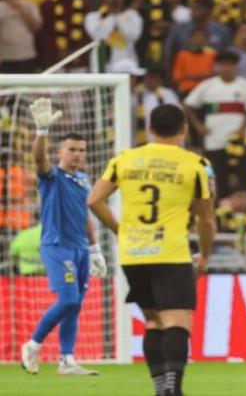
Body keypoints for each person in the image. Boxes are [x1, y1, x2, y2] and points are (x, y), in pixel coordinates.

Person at [87, 104, 216, 396]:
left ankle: (160, 388)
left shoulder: (124, 159)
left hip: (133, 253)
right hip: (171, 252)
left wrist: (121, 231)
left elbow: (94, 200)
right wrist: (205, 255)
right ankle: (173, 389)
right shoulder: (197, 164)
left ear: (149, 129)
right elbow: (206, 218)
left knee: (153, 321)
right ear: (184, 129)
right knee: (176, 322)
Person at [20, 98, 107, 376]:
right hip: (57, 247)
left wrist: (95, 248)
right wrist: (42, 131)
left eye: (81, 150)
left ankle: (67, 360)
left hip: (81, 249)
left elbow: (85, 215)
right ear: (60, 151)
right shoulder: (51, 176)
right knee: (68, 300)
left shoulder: (83, 179)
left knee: (75, 305)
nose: (77, 154)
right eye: (72, 149)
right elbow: (38, 159)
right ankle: (33, 344)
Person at [183, 51, 246, 198]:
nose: (227, 68)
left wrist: (243, 128)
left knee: (244, 175)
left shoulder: (245, 85)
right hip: (215, 140)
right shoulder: (208, 85)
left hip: (239, 141)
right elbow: (188, 105)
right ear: (218, 66)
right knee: (218, 176)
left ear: (236, 66)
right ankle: (220, 205)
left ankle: (245, 205)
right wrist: (198, 126)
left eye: (230, 65)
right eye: (223, 65)